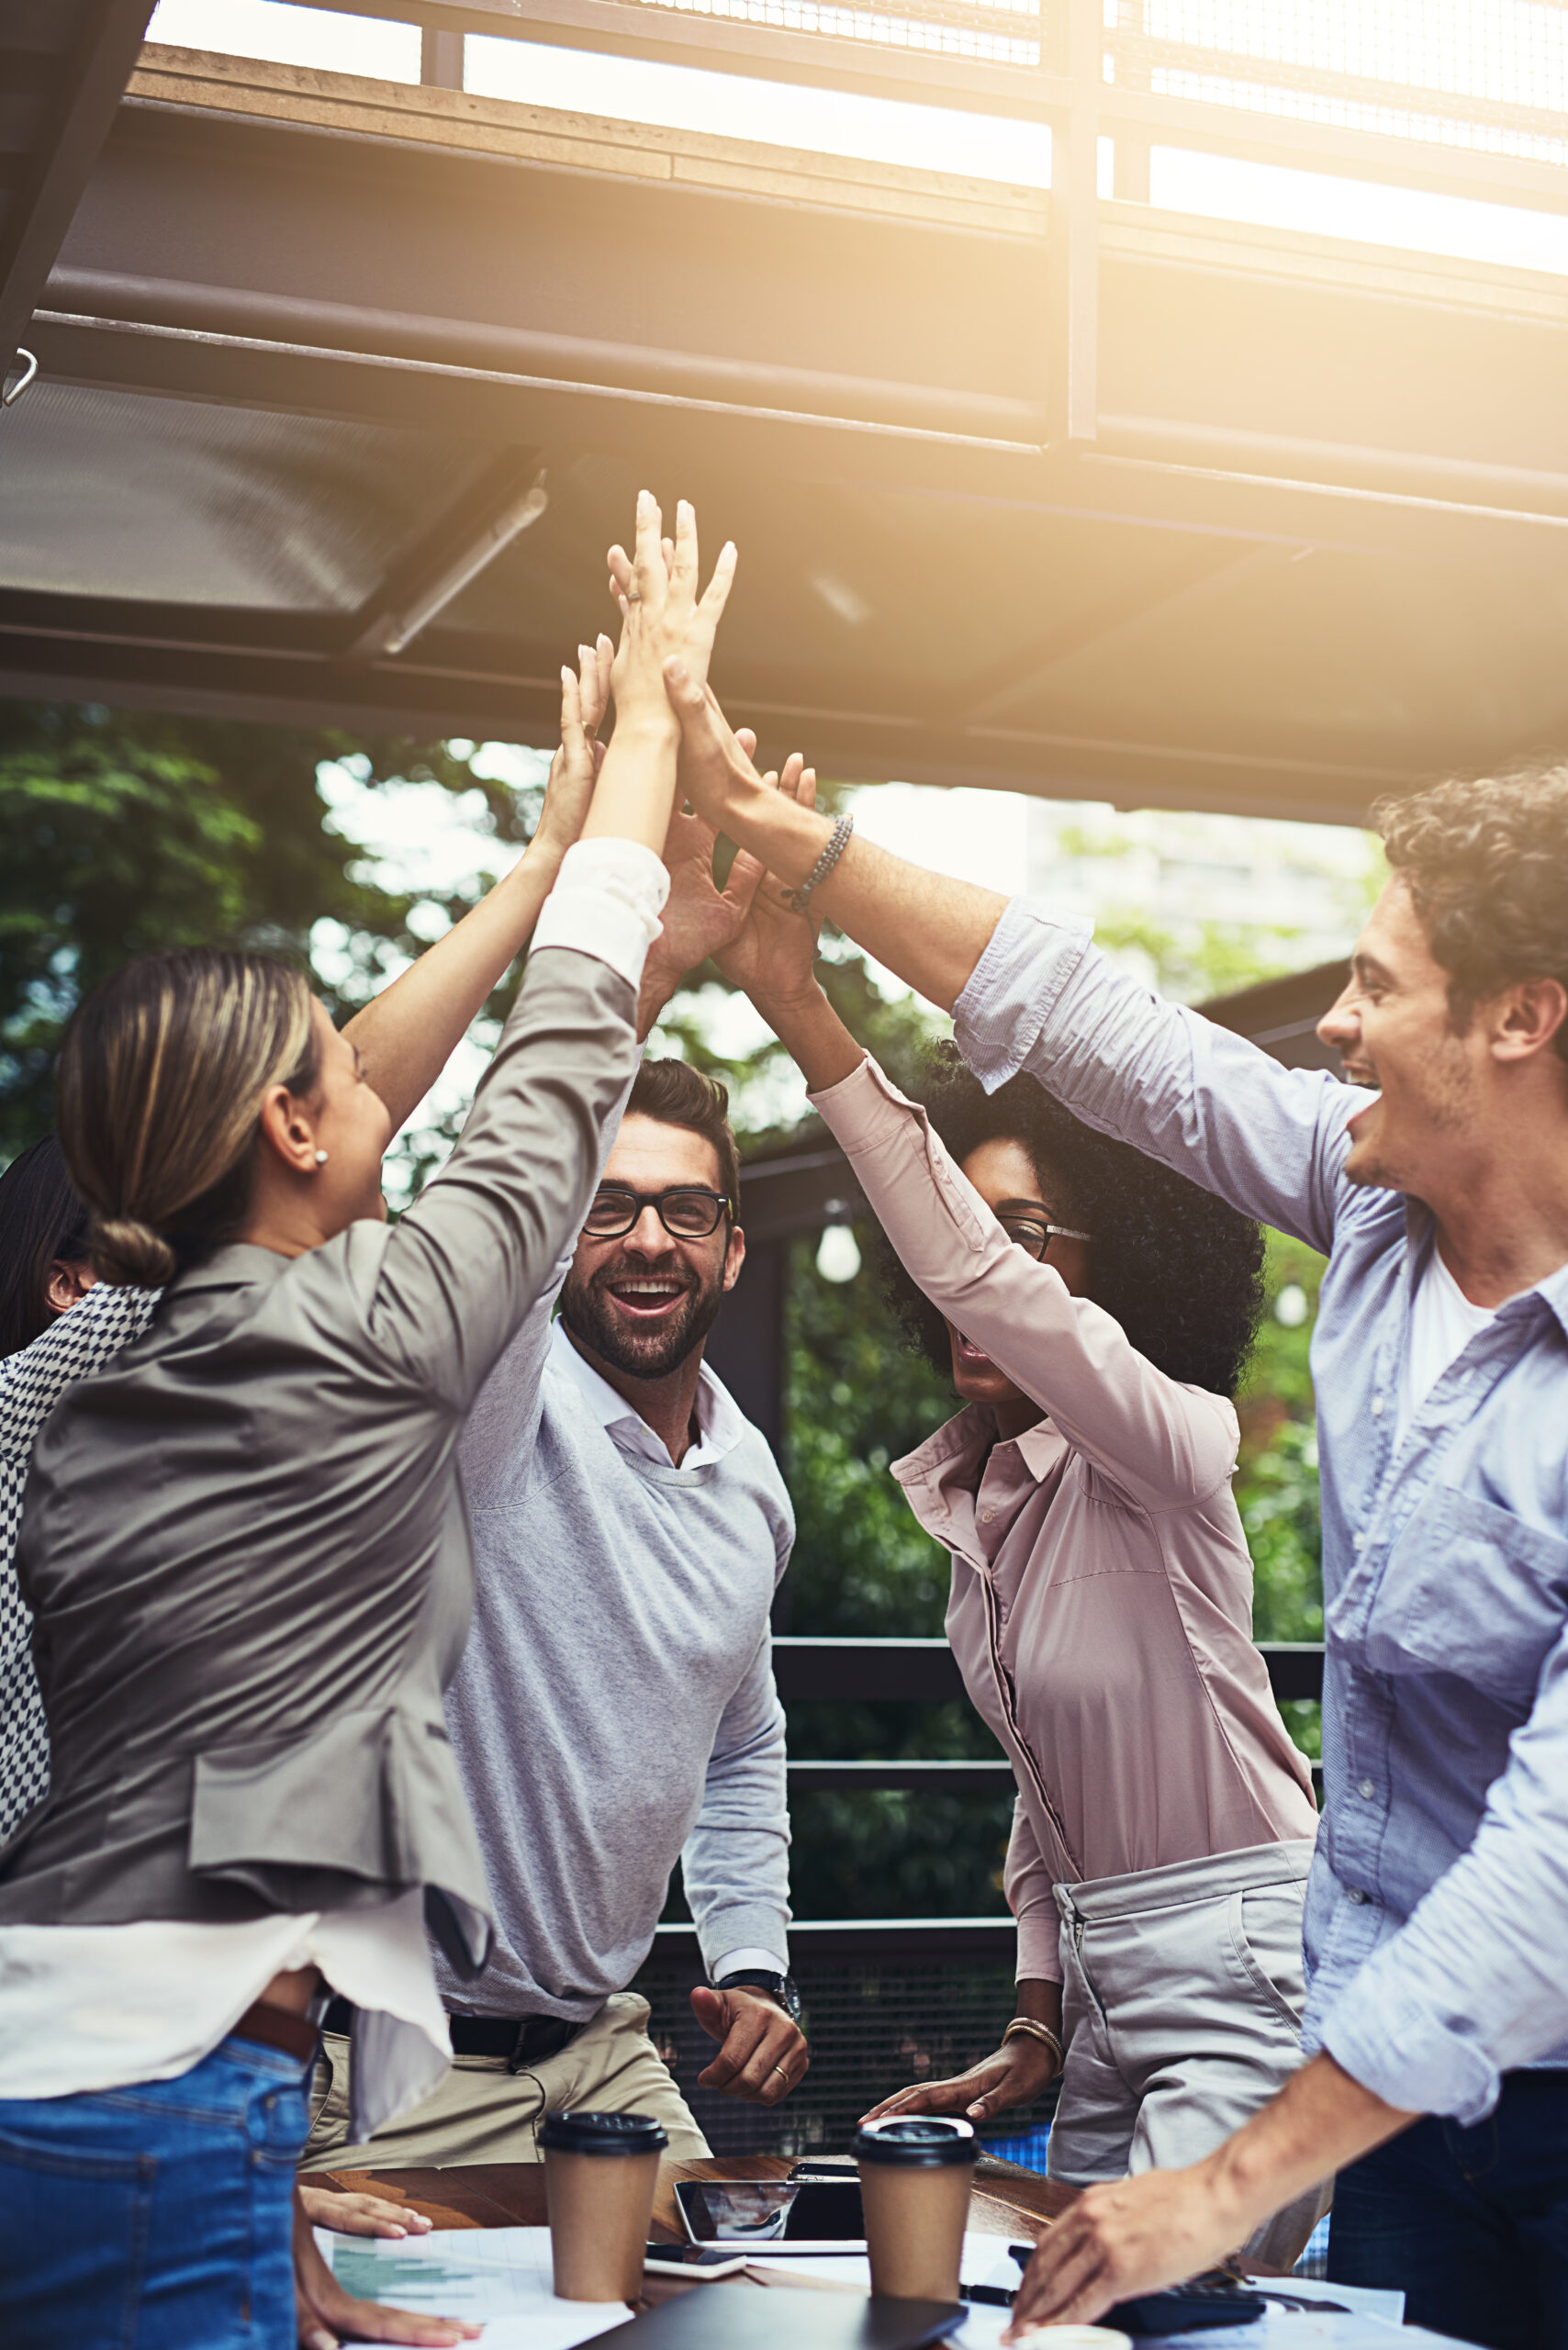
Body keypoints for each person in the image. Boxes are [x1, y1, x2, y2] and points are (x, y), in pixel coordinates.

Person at [663, 681, 1568, 2350]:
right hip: (1386, 2075)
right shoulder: (1377, 1215)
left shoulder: (1165, 1437)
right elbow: (1103, 1028)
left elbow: (1553, 1865)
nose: (1334, 1026)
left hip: (1476, 2052)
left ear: (1521, 1019)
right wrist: (815, 857)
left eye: (1376, 983)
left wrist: (1233, 2179)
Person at [0, 492, 728, 2350]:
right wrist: (648, 724)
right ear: (291, 1135)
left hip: (94, 2084)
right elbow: (564, 1047)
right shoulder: (369, 1332)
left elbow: (305, 1112)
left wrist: (542, 848)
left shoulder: (109, 1370)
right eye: (337, 1065)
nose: (376, 1077)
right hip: (156, 2111)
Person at [714, 773, 1323, 2267]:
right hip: (1113, 1997)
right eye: (972, 1224)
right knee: (1054, 2300)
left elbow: (986, 1282)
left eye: (1027, 1233)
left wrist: (806, 1014)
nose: (978, 1268)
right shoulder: (991, 1493)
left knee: (1140, 2308)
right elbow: (1046, 1781)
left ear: (1112, 1271)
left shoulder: (1166, 1444)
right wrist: (1038, 2014)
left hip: (1249, 1964)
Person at [305, 892, 810, 2169]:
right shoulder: (495, 1411)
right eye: (607, 1206)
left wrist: (754, 1963)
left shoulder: (751, 1483)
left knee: (727, 2301)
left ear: (734, 1252)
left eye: (686, 1213)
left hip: (604, 2054)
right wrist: (631, 973)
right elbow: (507, 1208)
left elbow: (743, 1737)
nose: (647, 1240)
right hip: (403, 2059)